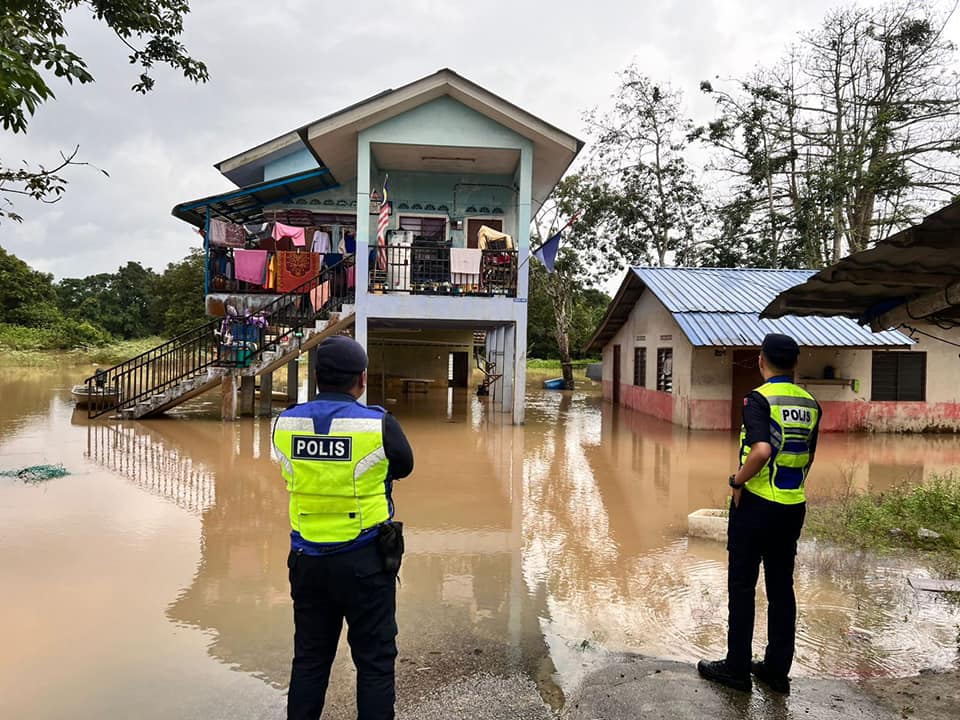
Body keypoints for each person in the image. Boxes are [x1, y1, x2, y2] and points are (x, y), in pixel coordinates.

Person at [272, 335, 414, 720]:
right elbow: (403, 466)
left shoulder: (285, 423)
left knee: (310, 661)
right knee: (375, 663)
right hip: (366, 560)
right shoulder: (378, 425)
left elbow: (286, 466)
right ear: (362, 379)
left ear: (318, 377)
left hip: (307, 559)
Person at [698, 333, 822, 695]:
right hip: (792, 505)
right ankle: (776, 669)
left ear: (761, 360)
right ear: (795, 364)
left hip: (755, 505)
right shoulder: (811, 403)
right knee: (781, 588)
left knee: (742, 585)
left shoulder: (758, 399)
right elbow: (808, 456)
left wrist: (737, 481)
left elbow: (762, 449)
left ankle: (737, 667)